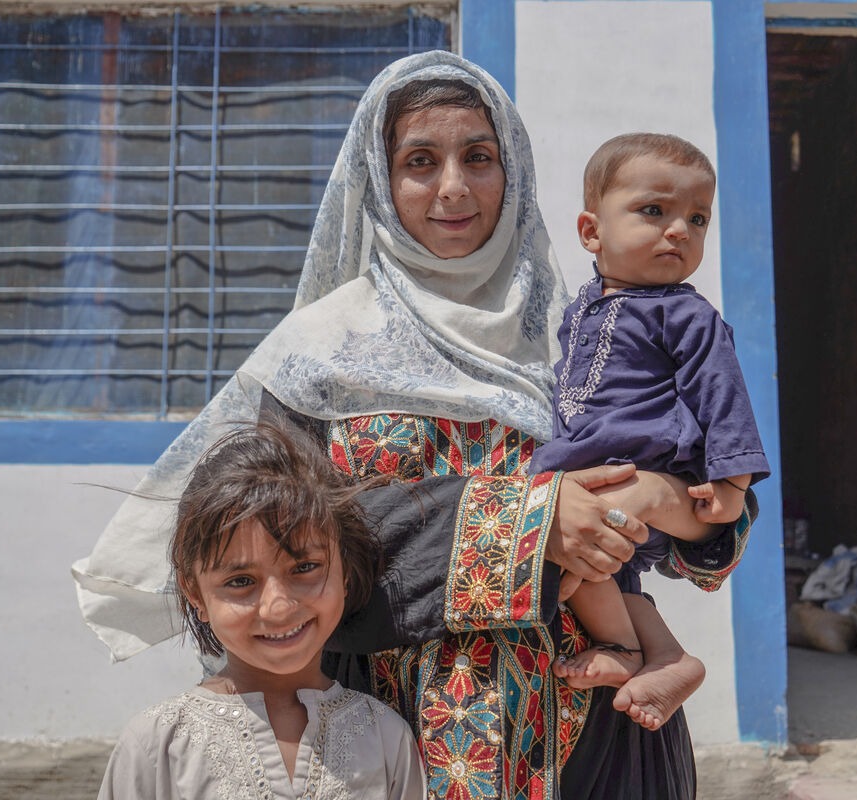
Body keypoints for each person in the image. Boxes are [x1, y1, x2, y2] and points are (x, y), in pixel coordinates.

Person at [73, 51, 754, 800]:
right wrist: (530, 521)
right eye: (421, 161)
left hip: (595, 729)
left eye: (480, 157)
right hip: (387, 732)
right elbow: (277, 532)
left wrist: (662, 501)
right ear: (378, 178)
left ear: (514, 173)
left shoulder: (580, 335)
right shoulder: (324, 348)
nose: (453, 187)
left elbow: (709, 533)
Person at [531, 133, 771, 732]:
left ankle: (627, 650)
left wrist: (733, 481)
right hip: (588, 469)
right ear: (591, 232)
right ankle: (666, 656)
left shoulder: (685, 314)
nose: (680, 231)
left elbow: (724, 397)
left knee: (568, 564)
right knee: (611, 569)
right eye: (654, 211)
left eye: (697, 218)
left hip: (642, 470)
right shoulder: (579, 307)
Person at [97, 419, 426, 799]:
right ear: (196, 594)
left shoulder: (384, 738)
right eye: (240, 581)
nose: (277, 608)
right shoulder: (158, 746)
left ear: (345, 571)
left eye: (304, 568)